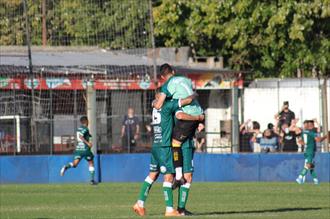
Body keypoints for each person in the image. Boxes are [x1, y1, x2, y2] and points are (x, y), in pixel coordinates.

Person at [132, 93, 203, 217]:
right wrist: (193, 95)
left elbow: (155, 102)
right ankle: (169, 210)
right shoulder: (168, 106)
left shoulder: (155, 105)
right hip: (164, 146)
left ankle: (140, 203)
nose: (170, 96)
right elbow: (184, 104)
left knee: (152, 175)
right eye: (167, 94)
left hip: (156, 145)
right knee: (168, 177)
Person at [153, 63, 204, 185]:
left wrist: (154, 102)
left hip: (188, 116)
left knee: (175, 144)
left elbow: (159, 105)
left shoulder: (167, 85)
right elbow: (191, 96)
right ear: (173, 72)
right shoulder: (186, 80)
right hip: (199, 110)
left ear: (162, 77)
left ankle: (179, 176)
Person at [60, 116, 96, 185]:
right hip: (85, 149)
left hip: (79, 149)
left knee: (75, 164)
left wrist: (89, 136)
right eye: (88, 121)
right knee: (91, 163)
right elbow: (81, 136)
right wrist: (88, 143)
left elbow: (81, 135)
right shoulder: (86, 129)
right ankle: (92, 180)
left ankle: (65, 167)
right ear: (86, 121)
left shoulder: (78, 129)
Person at [296, 120, 328, 184]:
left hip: (306, 151)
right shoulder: (311, 132)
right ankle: (300, 177)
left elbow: (300, 141)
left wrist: (305, 144)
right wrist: (325, 136)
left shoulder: (303, 132)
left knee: (311, 166)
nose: (313, 126)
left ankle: (315, 180)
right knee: (308, 165)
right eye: (312, 125)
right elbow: (318, 140)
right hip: (310, 151)